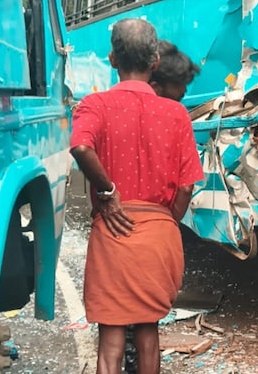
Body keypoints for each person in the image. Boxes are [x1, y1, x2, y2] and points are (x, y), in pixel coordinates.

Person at [70, 18, 204, 374]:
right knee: (148, 333)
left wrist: (108, 192)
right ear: (154, 63)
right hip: (159, 236)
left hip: (113, 233)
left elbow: (81, 147)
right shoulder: (176, 114)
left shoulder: (94, 105)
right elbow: (188, 185)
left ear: (112, 59)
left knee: (110, 342)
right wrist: (165, 221)